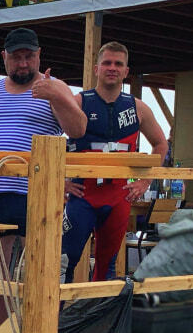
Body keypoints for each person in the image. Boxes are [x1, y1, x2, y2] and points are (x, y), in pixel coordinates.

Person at [0, 27, 87, 321]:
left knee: (39, 270)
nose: (23, 64)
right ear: (4, 58)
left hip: (37, 194)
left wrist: (57, 97)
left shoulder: (56, 86)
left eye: (29, 57)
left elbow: (78, 129)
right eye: (16, 58)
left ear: (39, 56)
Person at [48, 42, 168, 282]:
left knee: (107, 267)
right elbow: (50, 141)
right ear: (96, 69)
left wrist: (145, 182)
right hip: (83, 196)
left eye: (118, 64)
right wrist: (60, 181)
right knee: (64, 261)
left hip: (118, 197)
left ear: (125, 71)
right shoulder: (79, 101)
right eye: (107, 63)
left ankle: (98, 317)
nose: (112, 68)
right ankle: (56, 318)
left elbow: (161, 144)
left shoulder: (137, 108)